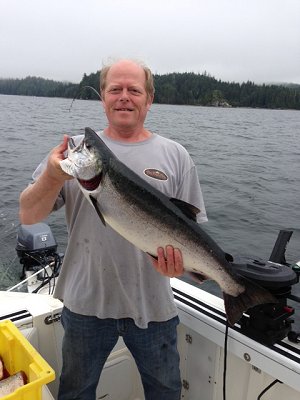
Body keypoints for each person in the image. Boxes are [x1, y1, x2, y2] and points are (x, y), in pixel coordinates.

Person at [19, 59, 207, 400]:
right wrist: (52, 175)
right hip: (84, 306)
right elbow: (29, 215)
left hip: (154, 307)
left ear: (149, 99)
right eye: (114, 89)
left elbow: (190, 230)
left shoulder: (176, 156)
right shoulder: (72, 155)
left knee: (165, 393)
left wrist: (183, 265)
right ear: (103, 97)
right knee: (76, 393)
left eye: (133, 90)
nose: (124, 97)